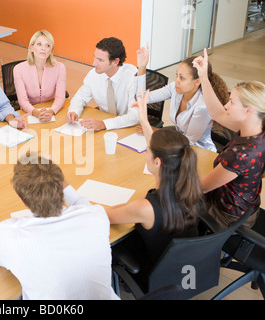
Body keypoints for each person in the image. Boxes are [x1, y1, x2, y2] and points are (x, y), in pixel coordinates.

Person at [106, 89, 205, 286]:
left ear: (158, 162)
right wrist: (143, 118)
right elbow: (161, 150)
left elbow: (106, 215)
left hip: (154, 276)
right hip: (183, 272)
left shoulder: (147, 207)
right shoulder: (191, 185)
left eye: (147, 152)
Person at [0, 152, 119, 300]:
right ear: (61, 187)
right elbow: (81, 203)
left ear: (22, 200)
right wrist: (54, 176)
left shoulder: (10, 235)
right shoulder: (96, 216)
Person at [193, 49, 265, 228]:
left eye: (232, 102)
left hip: (226, 217)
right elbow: (217, 113)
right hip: (244, 206)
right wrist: (203, 77)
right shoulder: (256, 129)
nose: (226, 105)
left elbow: (202, 188)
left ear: (249, 111)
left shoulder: (242, 154)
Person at [134, 43, 230, 152]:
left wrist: (158, 132)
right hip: (177, 143)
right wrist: (142, 67)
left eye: (182, 78)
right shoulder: (175, 89)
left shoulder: (202, 106)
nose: (176, 81)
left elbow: (189, 141)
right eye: (176, 75)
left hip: (199, 151)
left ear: (197, 81)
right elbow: (142, 98)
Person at [66, 37, 138, 131]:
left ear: (115, 61)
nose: (94, 63)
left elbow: (135, 116)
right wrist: (74, 111)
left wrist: (104, 124)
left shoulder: (133, 77)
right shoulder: (94, 74)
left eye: (100, 60)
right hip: (104, 121)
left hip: (127, 127)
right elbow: (80, 98)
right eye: (95, 57)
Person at [13, 30, 66, 122]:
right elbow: (22, 100)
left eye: (47, 45)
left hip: (51, 111)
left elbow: (60, 98)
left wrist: (50, 112)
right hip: (30, 113)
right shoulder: (18, 69)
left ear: (51, 51)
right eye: (39, 44)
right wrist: (36, 113)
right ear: (31, 48)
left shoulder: (60, 67)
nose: (43, 48)